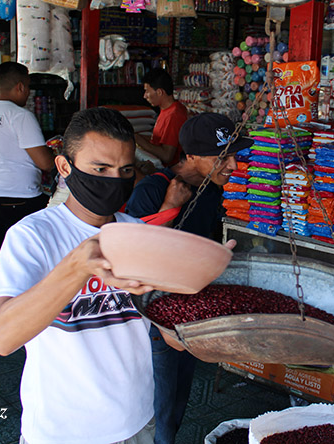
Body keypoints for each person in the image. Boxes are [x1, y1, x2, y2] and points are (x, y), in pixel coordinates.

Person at [0, 108, 198, 444]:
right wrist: (77, 267)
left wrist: (202, 305)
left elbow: (172, 337)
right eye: (100, 169)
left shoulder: (138, 235)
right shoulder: (33, 236)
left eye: (125, 170)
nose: (114, 180)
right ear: (65, 167)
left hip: (136, 421)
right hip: (61, 432)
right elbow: (3, 338)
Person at [126, 113, 252, 444]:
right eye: (222, 157)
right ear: (191, 155)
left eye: (234, 155)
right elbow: (134, 258)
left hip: (191, 312)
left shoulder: (211, 190)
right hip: (156, 319)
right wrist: (170, 207)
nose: (233, 165)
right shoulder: (154, 190)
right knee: (159, 406)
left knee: (178, 398)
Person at [0, 62, 54, 267]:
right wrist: (57, 154)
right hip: (17, 199)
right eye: (27, 87)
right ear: (20, 87)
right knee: (24, 257)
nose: (28, 93)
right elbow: (45, 162)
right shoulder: (20, 115)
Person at [134, 69, 188, 167]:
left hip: (170, 170)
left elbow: (167, 156)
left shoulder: (174, 115)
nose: (144, 96)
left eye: (147, 91)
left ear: (159, 92)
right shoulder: (167, 110)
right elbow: (157, 140)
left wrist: (138, 139)